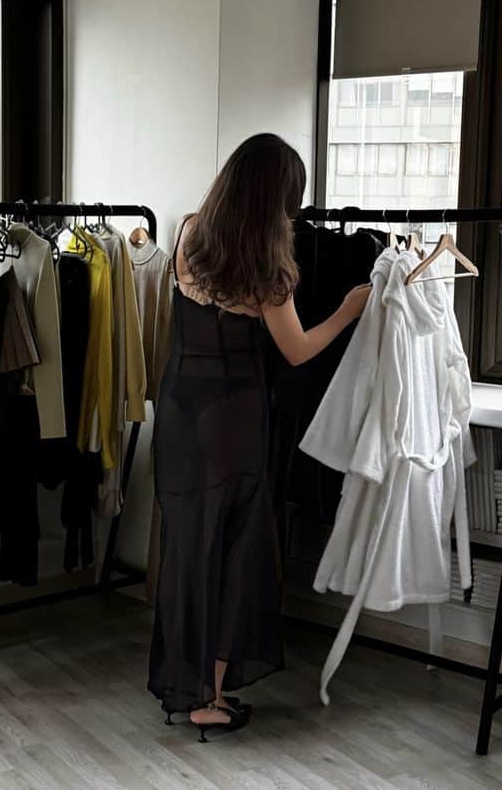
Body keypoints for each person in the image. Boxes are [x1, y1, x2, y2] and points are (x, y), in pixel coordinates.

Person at [147, 133, 372, 741]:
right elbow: (298, 352)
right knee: (235, 556)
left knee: (187, 552)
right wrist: (349, 310)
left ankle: (185, 688)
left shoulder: (189, 232)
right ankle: (211, 697)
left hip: (179, 411)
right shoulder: (269, 269)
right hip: (236, 420)